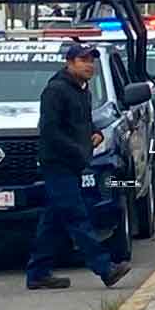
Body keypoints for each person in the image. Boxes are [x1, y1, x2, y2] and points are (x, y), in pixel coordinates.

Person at [25, 42, 131, 290]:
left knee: (53, 220)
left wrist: (95, 134)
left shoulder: (82, 90)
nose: (89, 65)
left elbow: (82, 122)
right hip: (58, 164)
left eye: (91, 61)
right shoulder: (56, 90)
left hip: (72, 165)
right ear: (69, 62)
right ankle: (105, 268)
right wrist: (79, 149)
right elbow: (50, 131)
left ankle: (38, 273)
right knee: (77, 216)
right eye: (83, 60)